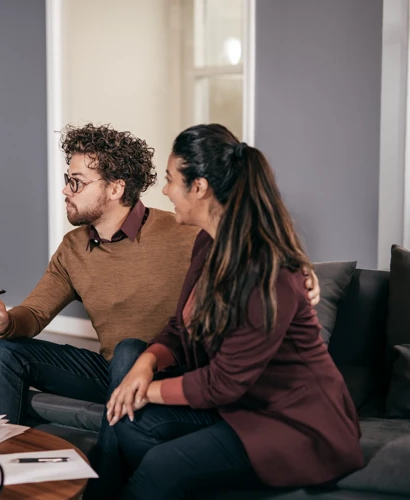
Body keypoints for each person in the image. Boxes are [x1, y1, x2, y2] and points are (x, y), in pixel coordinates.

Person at [85, 124, 363, 499]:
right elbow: (179, 329)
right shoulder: (207, 242)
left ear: (198, 187)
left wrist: (146, 391)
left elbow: (223, 382)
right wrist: (144, 364)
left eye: (170, 180)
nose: (164, 191)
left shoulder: (266, 269)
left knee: (162, 465)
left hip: (295, 422)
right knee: (128, 424)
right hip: (239, 406)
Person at [0, 123, 320, 425]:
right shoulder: (73, 247)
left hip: (169, 369)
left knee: (130, 350)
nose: (65, 190)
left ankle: (109, 479)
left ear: (115, 188)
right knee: (6, 351)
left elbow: (253, 246)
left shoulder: (184, 231)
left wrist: (303, 268)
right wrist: (4, 322)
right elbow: (34, 313)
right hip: (112, 371)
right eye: (68, 180)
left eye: (76, 183)